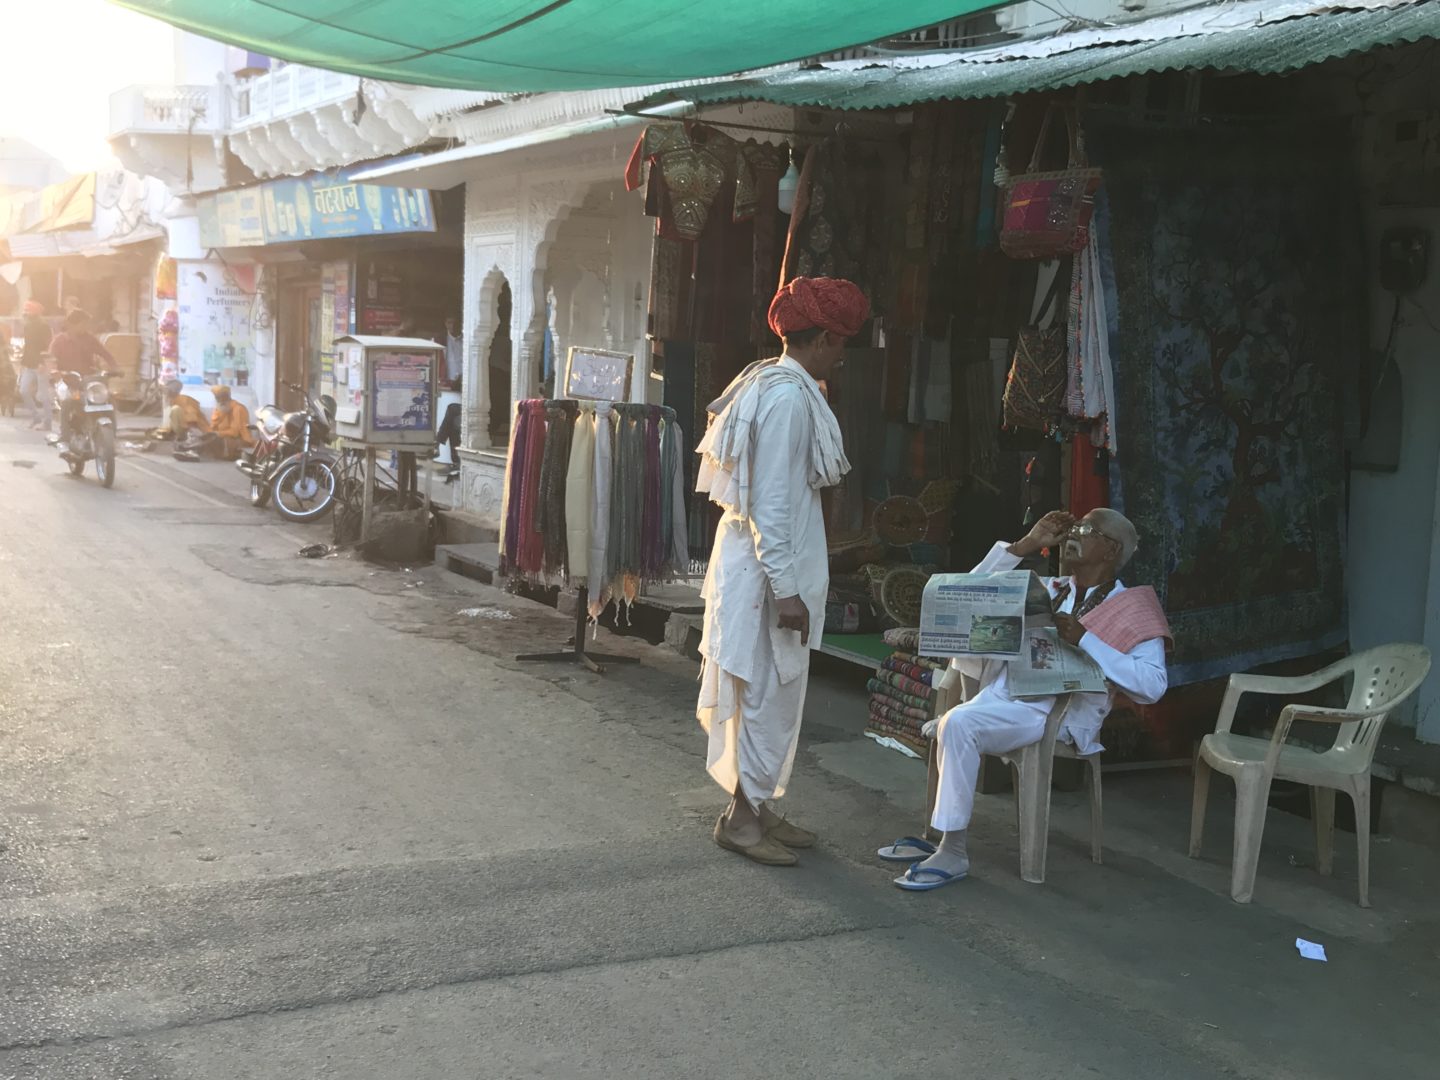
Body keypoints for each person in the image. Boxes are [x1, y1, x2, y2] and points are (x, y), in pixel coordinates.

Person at [885, 508, 1171, 891]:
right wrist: (1025, 545)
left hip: (1059, 716)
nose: (1074, 533)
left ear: (1109, 550)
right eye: (1075, 526)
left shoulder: (1133, 609)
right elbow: (965, 593)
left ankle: (953, 851)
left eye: (1087, 529)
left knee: (957, 725)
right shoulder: (1050, 588)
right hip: (1006, 697)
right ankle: (943, 837)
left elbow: (1152, 686)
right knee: (962, 704)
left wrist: (1086, 639)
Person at [696, 276, 870, 866]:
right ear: (821, 338)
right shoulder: (790, 398)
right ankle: (741, 821)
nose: (842, 354)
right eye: (841, 342)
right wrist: (788, 590)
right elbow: (769, 501)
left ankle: (759, 806)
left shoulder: (771, 382)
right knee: (766, 696)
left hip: (760, 570)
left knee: (772, 696)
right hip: (770, 580)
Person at [50, 310, 115, 453]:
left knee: (109, 400)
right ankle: (65, 438)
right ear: (72, 325)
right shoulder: (59, 340)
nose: (86, 327)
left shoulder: (89, 339)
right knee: (67, 402)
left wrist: (114, 367)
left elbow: (105, 354)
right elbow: (52, 360)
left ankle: (112, 441)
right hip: (67, 382)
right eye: (83, 324)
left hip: (88, 381)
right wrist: (55, 371)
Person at [177, 384, 253, 460]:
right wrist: (210, 431)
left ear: (228, 396)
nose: (221, 399)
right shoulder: (220, 408)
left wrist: (218, 433)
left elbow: (235, 432)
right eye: (218, 397)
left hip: (238, 442)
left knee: (213, 438)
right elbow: (213, 427)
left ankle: (189, 450)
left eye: (223, 397)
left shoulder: (238, 408)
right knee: (207, 436)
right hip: (222, 439)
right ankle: (189, 450)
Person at [18, 301, 52, 432]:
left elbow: (48, 345)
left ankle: (47, 422)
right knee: (23, 390)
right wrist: (23, 363)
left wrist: (43, 362)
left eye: (28, 310)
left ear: (35, 312)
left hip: (41, 364)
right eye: (25, 310)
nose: (25, 312)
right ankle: (36, 417)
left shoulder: (43, 326)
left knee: (43, 395)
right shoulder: (27, 326)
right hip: (29, 364)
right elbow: (28, 347)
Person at [156, 380, 210, 444]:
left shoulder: (184, 400)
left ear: (172, 391)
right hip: (184, 430)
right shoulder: (170, 400)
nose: (164, 392)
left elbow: (192, 419)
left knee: (175, 410)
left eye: (166, 390)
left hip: (197, 432)